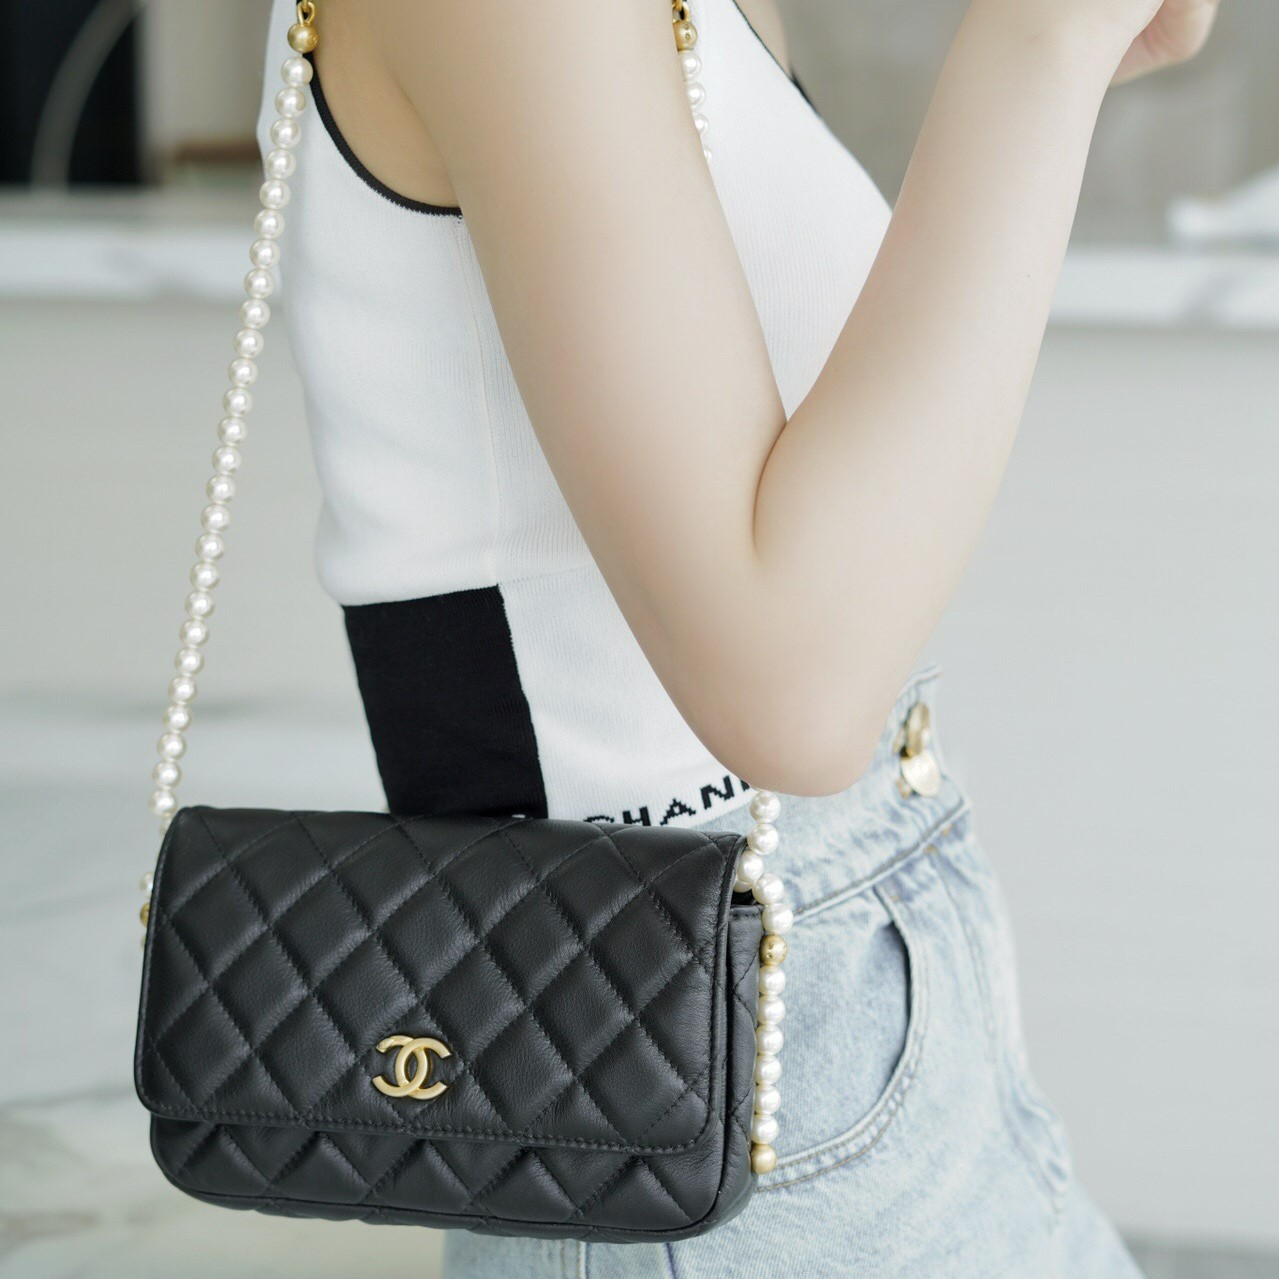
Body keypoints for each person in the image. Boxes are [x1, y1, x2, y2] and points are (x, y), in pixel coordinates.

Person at [255, 0, 1219, 1274]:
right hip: (692, 1034)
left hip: (808, 985)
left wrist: (1062, 54)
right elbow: (793, 694)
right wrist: (1035, 49)